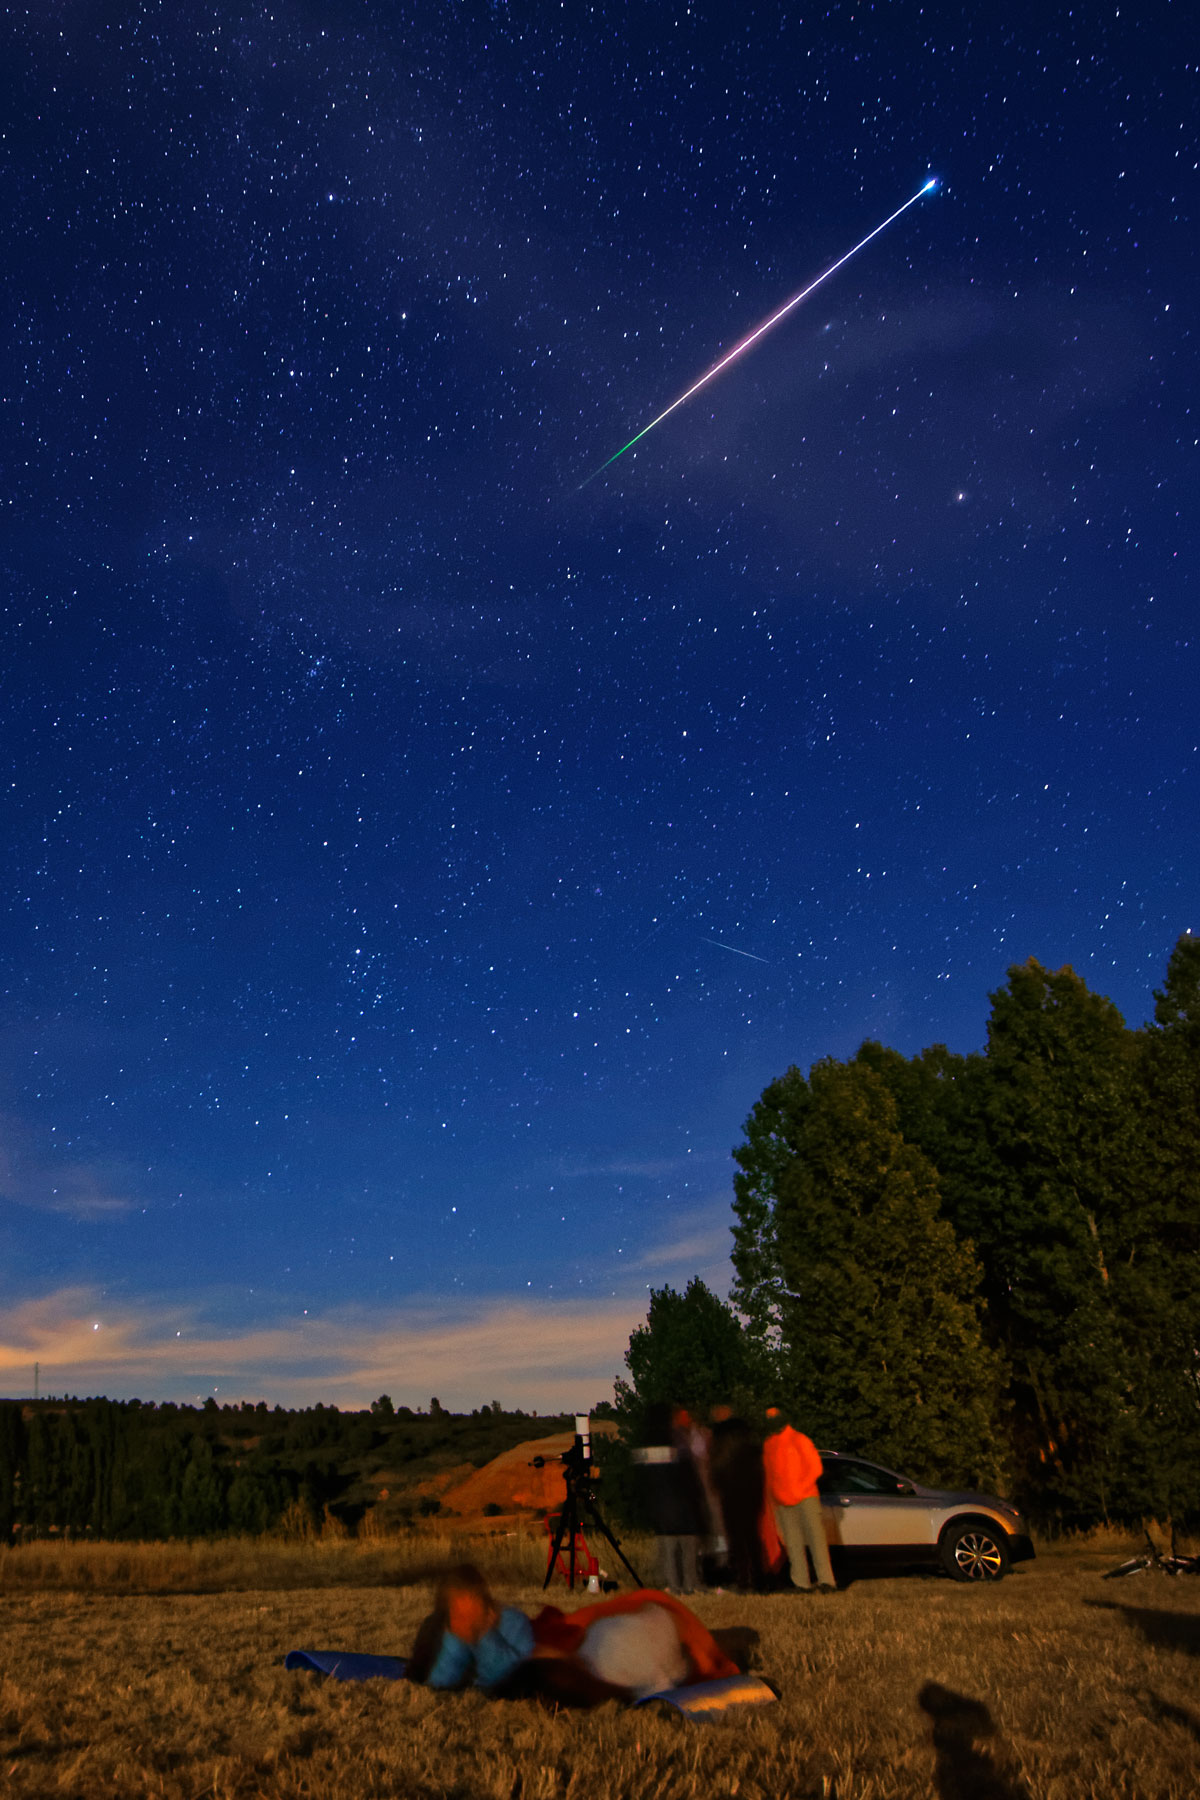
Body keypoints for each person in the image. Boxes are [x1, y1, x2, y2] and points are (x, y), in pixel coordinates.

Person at [405, 1563, 741, 1705]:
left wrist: (484, 1635)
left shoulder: (516, 1626)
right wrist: (462, 1639)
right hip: (625, 1653)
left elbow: (513, 1671)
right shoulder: (464, 1636)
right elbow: (444, 1682)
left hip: (625, 1655)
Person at [630, 1401, 707, 1593]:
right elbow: (688, 1474)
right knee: (688, 1549)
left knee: (669, 1551)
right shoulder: (676, 1440)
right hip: (682, 1504)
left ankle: (673, 1586)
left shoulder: (644, 1442)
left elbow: (640, 1478)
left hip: (660, 1506)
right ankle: (691, 1584)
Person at [761, 1405, 837, 1592]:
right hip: (783, 1501)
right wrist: (773, 1500)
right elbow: (769, 1474)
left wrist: (799, 1489)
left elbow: (815, 1468)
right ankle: (801, 1583)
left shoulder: (799, 1439)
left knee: (816, 1540)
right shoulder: (769, 1444)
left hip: (805, 1498)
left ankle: (826, 1581)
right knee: (793, 1544)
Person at [709, 1403, 765, 1590]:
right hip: (750, 1492)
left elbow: (718, 1465)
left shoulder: (721, 1438)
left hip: (731, 1492)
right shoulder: (747, 1436)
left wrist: (717, 1484)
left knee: (737, 1539)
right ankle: (758, 1579)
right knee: (751, 1537)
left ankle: (743, 1579)